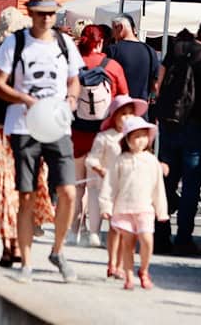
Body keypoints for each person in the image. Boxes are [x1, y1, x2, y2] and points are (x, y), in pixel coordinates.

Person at [0, 0, 83, 283]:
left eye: (51, 13)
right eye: (41, 13)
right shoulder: (15, 43)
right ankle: (27, 262)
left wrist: (71, 99)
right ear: (30, 12)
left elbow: (74, 80)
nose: (46, 19)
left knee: (68, 191)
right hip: (24, 127)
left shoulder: (65, 43)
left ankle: (58, 251)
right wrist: (25, 99)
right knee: (27, 193)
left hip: (57, 125)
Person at [0, 9, 55, 268]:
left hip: (15, 133)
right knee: (12, 191)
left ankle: (13, 247)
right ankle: (13, 246)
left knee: (13, 191)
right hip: (8, 133)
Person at [153, 12, 201, 256]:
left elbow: (159, 84)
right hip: (196, 128)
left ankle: (159, 236)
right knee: (191, 186)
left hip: (170, 125)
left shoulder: (176, 49)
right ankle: (184, 239)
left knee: (166, 183)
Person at [70, 25, 128, 246]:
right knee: (95, 186)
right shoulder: (112, 66)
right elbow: (124, 98)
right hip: (102, 134)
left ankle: (72, 232)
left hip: (77, 131)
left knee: (77, 185)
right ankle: (93, 232)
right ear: (102, 42)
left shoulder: (72, 65)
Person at [99, 116, 169, 290]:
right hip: (123, 209)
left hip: (145, 209)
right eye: (136, 136)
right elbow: (110, 185)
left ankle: (144, 270)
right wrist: (106, 206)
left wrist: (162, 210)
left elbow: (158, 188)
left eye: (144, 135)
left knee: (147, 240)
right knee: (128, 245)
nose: (141, 140)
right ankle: (128, 275)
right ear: (127, 140)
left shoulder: (152, 161)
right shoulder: (120, 160)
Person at [87, 95, 145, 276]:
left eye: (130, 114)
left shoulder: (136, 138)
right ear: (114, 116)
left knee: (127, 229)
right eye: (123, 114)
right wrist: (101, 170)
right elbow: (92, 159)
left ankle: (121, 264)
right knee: (115, 227)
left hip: (129, 189)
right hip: (110, 188)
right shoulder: (105, 137)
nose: (127, 118)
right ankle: (112, 263)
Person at [108, 14, 159, 104]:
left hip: (119, 108)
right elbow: (155, 85)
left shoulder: (113, 50)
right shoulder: (150, 51)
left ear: (120, 27)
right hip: (141, 108)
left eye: (113, 29)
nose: (113, 34)